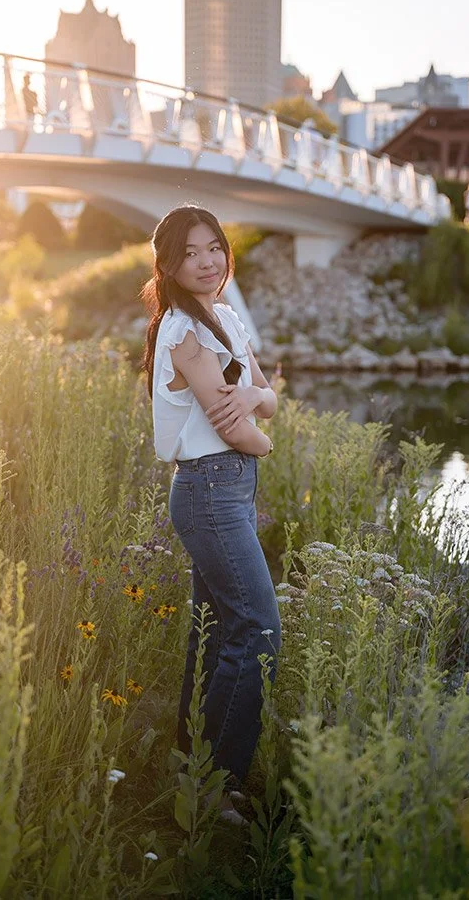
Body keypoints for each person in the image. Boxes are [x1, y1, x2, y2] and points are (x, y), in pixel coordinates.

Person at [140, 204, 282, 826]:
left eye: (214, 248)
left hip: (226, 491)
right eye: (190, 252)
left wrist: (254, 399)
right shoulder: (182, 331)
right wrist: (258, 423)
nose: (206, 262)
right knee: (258, 629)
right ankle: (216, 787)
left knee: (216, 631)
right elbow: (247, 431)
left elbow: (262, 399)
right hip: (208, 489)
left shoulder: (223, 318)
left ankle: (190, 767)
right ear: (168, 265)